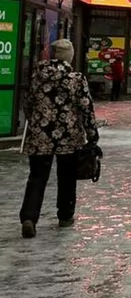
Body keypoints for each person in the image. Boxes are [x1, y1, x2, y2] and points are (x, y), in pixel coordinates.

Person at [19, 39, 97, 238]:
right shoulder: (76, 78)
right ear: (69, 56)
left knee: (36, 177)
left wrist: (36, 121)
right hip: (68, 137)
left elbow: (27, 103)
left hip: (40, 136)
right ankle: (65, 215)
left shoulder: (37, 75)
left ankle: (29, 217)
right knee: (67, 177)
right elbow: (86, 108)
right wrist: (92, 134)